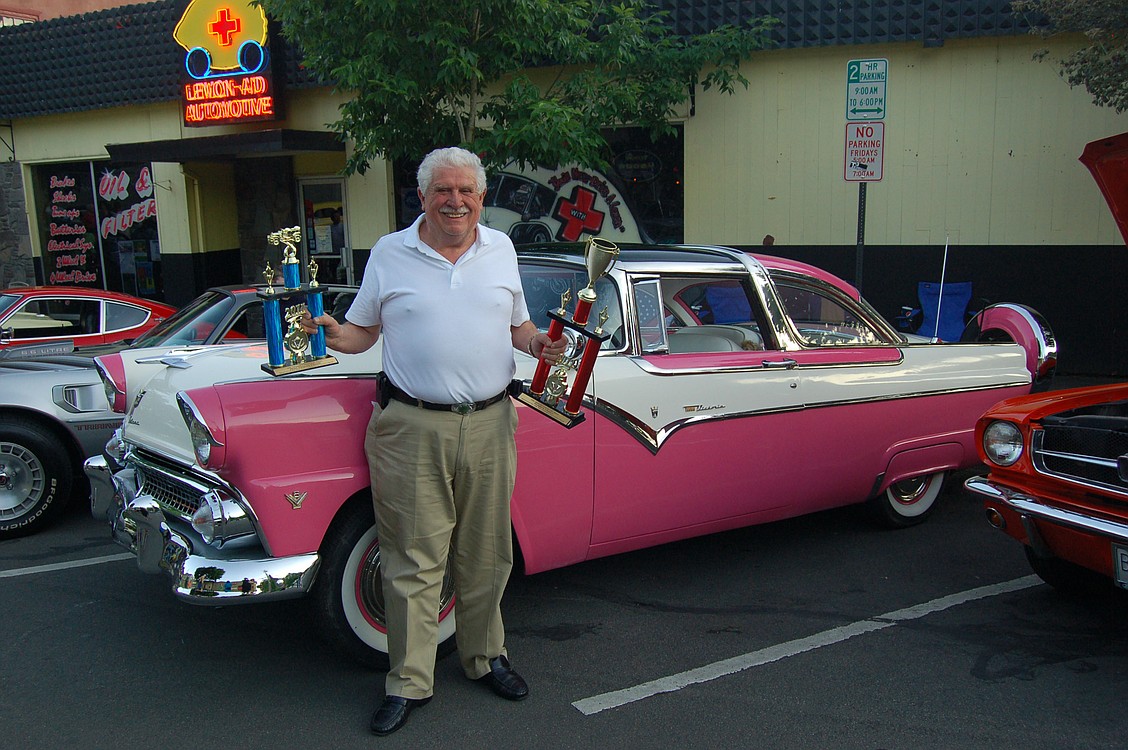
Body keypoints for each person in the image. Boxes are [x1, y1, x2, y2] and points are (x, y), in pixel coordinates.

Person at [301, 147, 566, 736]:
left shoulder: (502, 249)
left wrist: (537, 345)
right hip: (411, 427)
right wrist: (330, 334)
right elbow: (364, 331)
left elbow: (517, 323)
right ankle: (408, 681)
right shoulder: (391, 254)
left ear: (480, 196)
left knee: (488, 553)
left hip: (493, 421)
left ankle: (484, 657)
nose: (456, 201)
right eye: (444, 190)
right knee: (414, 559)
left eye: (467, 190)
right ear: (421, 197)